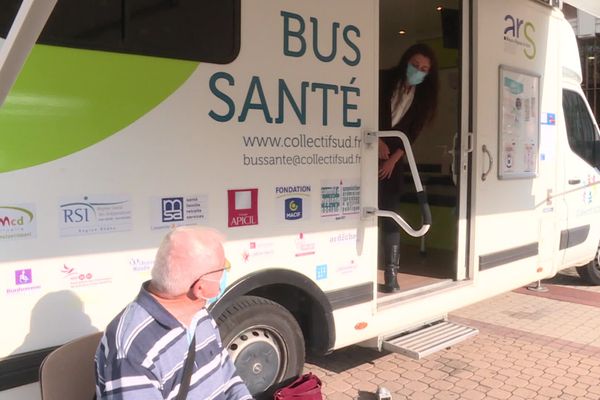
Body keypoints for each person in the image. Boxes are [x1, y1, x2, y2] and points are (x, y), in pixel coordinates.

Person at [95, 226, 252, 399]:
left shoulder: (199, 314)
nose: (226, 272)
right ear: (200, 288)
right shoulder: (133, 351)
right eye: (224, 267)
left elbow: (228, 377)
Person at [378, 43, 439, 292]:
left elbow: (412, 134)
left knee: (390, 214)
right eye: (415, 65)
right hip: (367, 149)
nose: (418, 71)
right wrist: (377, 139)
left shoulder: (423, 99)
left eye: (424, 69)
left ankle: (391, 275)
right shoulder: (383, 79)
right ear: (405, 61)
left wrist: (393, 159)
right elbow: (361, 107)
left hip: (394, 161)